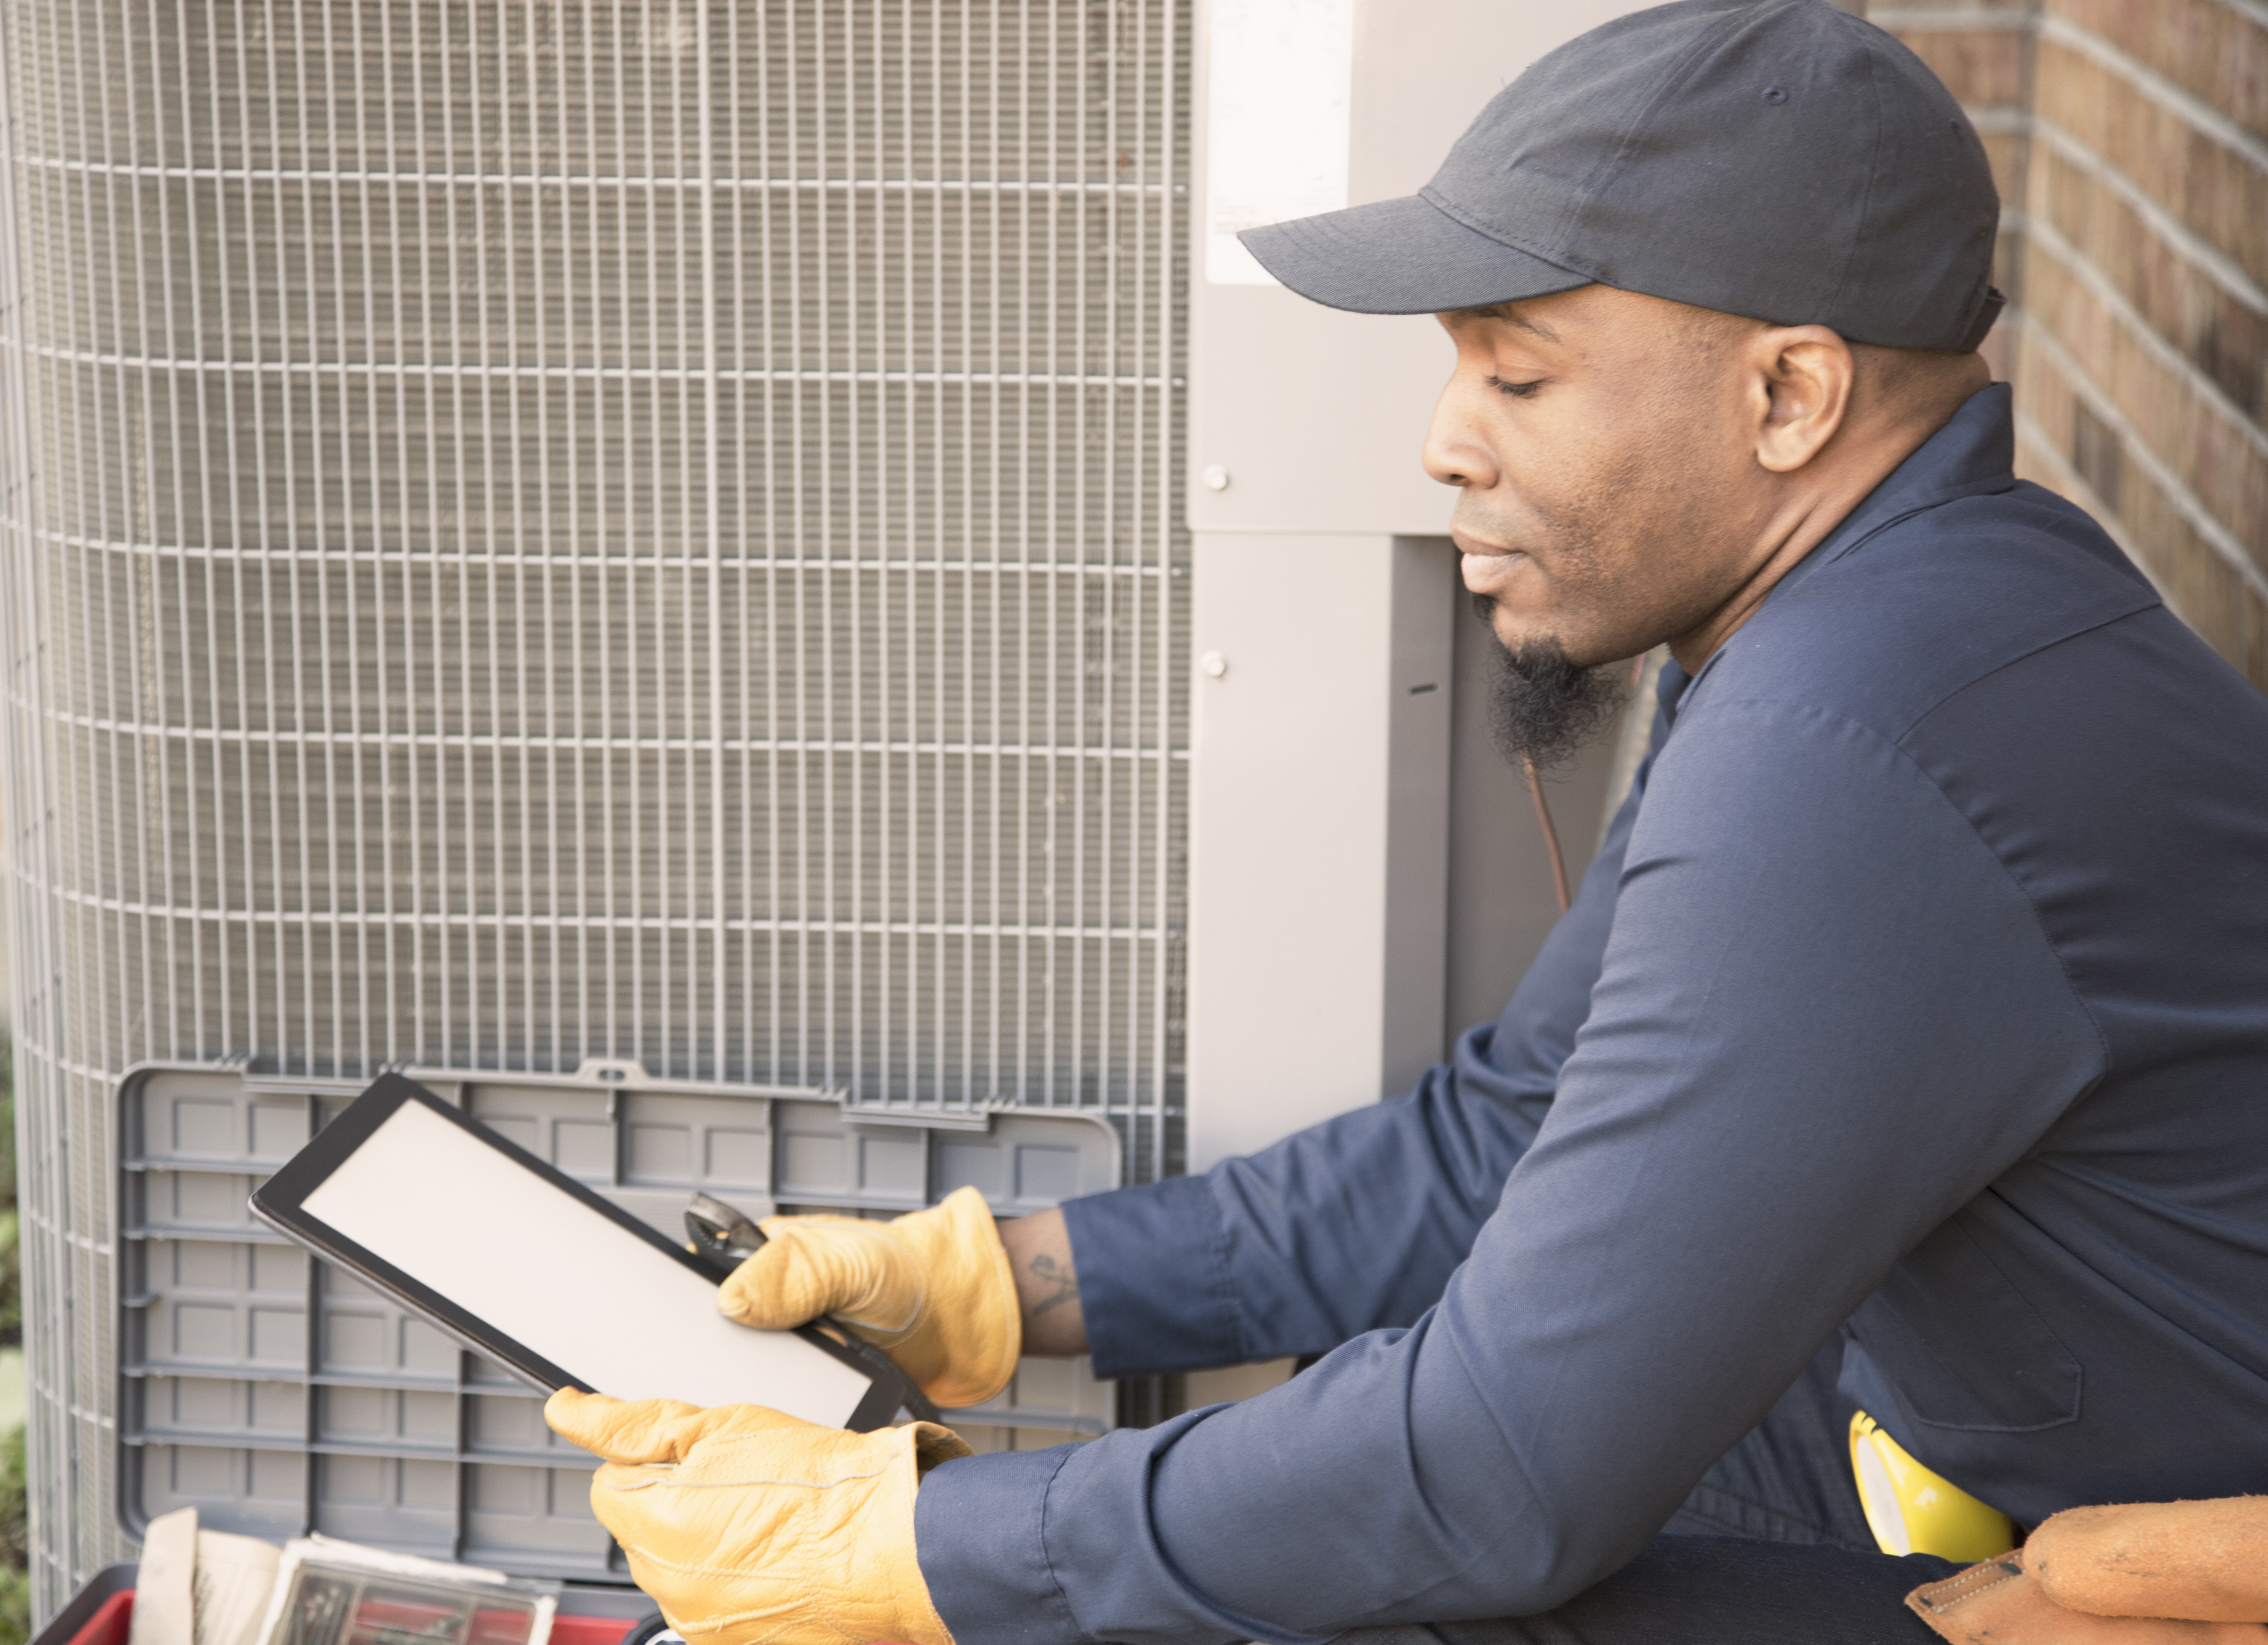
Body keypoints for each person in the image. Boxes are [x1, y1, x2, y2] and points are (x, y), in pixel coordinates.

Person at [543, 1, 2268, 1641]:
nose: (1446, 442)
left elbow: (1504, 1475)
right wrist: (993, 1284)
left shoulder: (1854, 744)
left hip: (2138, 1591)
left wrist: (911, 1552)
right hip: (1962, 1466)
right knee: (1295, 1501)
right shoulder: (1883, 621)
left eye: (1519, 378)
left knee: (1298, 1577)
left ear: (1788, 397)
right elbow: (1508, 1132)